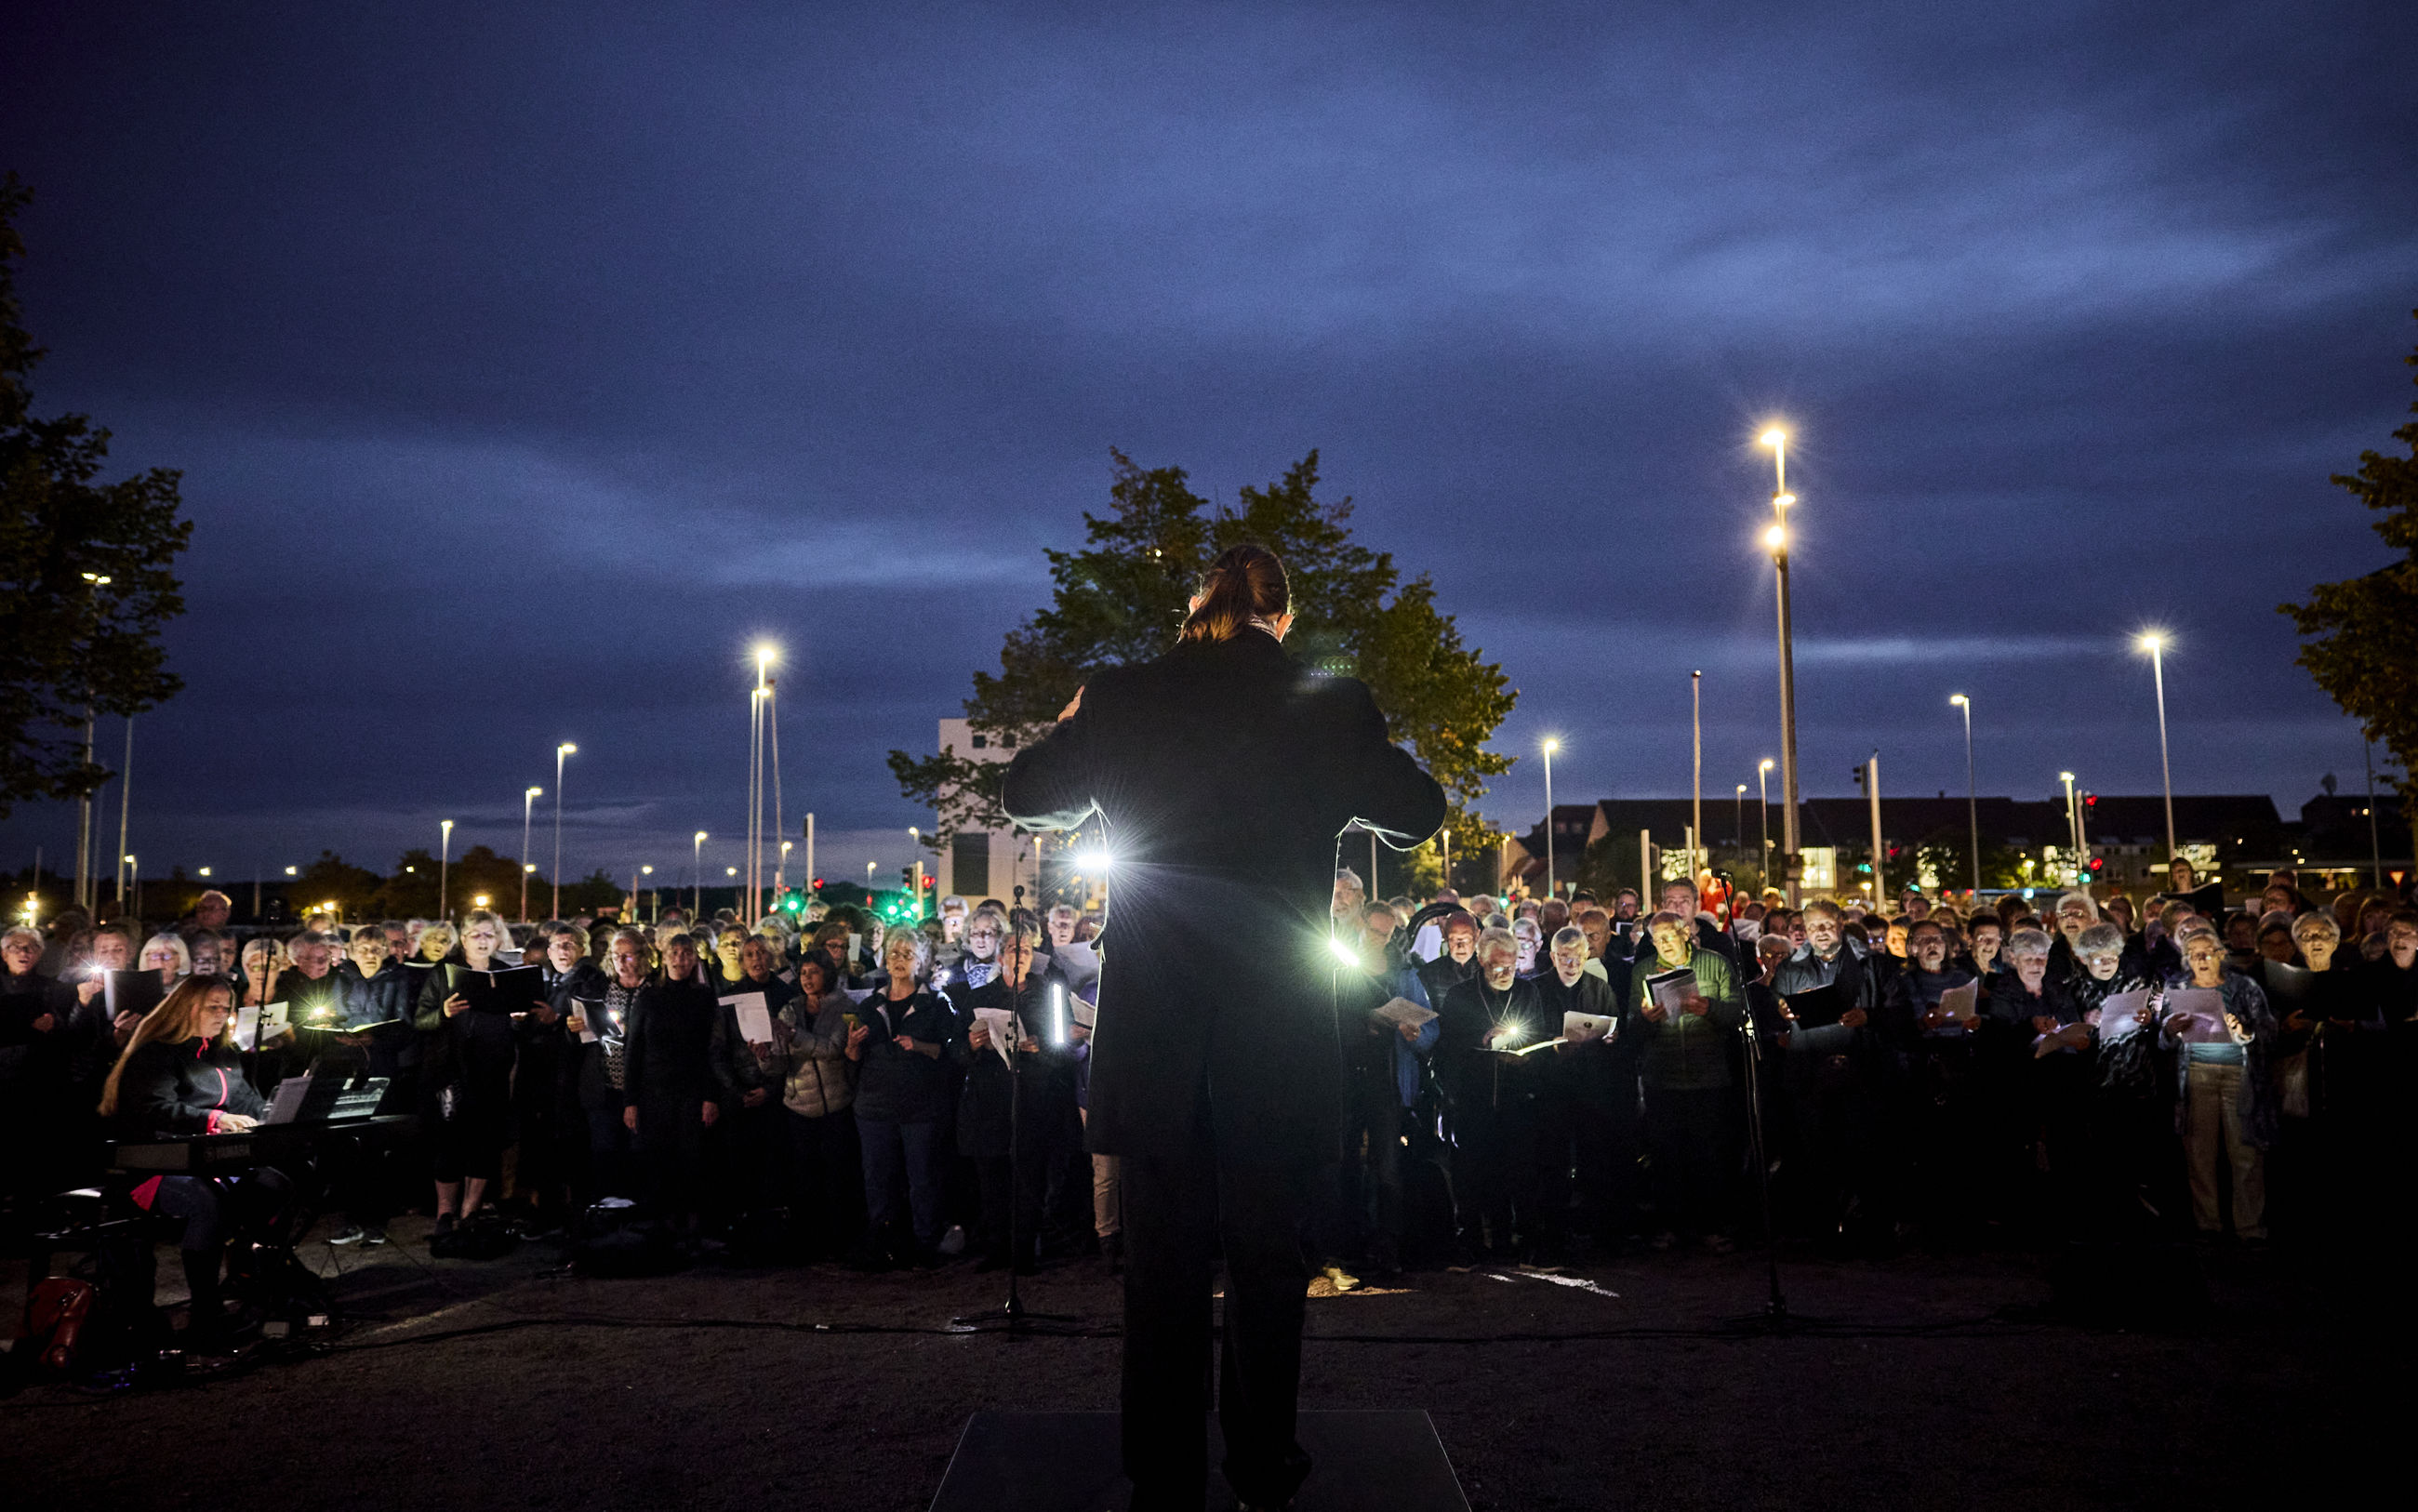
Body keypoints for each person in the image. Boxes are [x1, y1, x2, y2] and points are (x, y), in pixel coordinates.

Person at [1000, 541, 1445, 1512]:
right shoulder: (1328, 704)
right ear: (1279, 620)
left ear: (1193, 614)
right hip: (1272, 1027)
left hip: (1158, 1026)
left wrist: (1073, 718)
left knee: (1158, 1270)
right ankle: (1261, 1471)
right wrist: (1358, 752)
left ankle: (1162, 1479)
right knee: (1266, 1263)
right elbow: (1417, 812)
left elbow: (1024, 795)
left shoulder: (1120, 696)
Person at [96, 975, 272, 1347]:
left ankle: (259, 1283)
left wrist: (277, 1111)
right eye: (213, 1007)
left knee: (275, 1186)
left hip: (211, 1161)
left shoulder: (223, 1053)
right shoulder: (154, 1053)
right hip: (151, 1166)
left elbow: (247, 1104)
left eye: (226, 1008)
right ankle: (206, 1314)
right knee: (205, 1202)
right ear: (186, 1007)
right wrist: (213, 1119)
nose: (222, 1014)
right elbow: (153, 1108)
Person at [1627, 909, 1744, 1251]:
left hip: (1708, 1074)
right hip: (1663, 1077)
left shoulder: (1715, 964)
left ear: (1685, 934)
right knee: (1666, 1157)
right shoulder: (1643, 971)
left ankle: (1710, 1226)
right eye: (1655, 939)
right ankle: (1671, 1227)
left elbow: (1737, 1012)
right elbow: (1632, 1022)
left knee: (1708, 1155)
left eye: (1668, 936)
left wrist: (1710, 1009)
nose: (1663, 944)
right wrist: (1647, 1019)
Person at [844, 927, 959, 1268]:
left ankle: (925, 1244)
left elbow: (953, 1055)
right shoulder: (870, 1004)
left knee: (922, 1178)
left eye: (907, 954)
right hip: (874, 1107)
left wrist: (920, 1046)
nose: (899, 960)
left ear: (921, 960)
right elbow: (855, 1059)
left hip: (920, 1108)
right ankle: (882, 1242)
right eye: (894, 953)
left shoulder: (936, 1003)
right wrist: (851, 1047)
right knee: (877, 1179)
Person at [620, 931, 737, 1240]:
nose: (680, 959)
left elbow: (712, 1050)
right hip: (653, 1091)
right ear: (664, 957)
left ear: (695, 959)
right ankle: (664, 1222)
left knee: (693, 1156)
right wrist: (630, 1101)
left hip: (692, 1090)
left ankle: (693, 1221)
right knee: (659, 1157)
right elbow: (633, 1050)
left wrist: (710, 1096)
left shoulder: (704, 997)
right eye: (675, 953)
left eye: (687, 954)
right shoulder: (648, 997)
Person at [413, 909, 523, 1235]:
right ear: (463, 938)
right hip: (451, 1069)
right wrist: (444, 1012)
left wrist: (519, 1018)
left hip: (492, 1069)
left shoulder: (505, 973)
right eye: (476, 934)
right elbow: (420, 1019)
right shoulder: (444, 972)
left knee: (486, 1142)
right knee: (450, 1142)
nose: (483, 940)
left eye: (489, 934)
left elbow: (518, 1022)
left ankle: (470, 1210)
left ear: (498, 938)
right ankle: (445, 1214)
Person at [2172, 923, 2278, 1243]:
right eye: (2194, 955)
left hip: (2237, 1075)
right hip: (2196, 1073)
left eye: (2208, 953)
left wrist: (2243, 1031)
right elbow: (2160, 1039)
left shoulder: (2243, 987)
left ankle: (2250, 1228)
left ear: (2221, 955)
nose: (2201, 960)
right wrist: (2170, 1030)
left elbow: (2268, 1030)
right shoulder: (2176, 987)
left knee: (2244, 1152)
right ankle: (2209, 1226)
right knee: (2200, 1154)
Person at [768, 953, 864, 1258]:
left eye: (814, 972)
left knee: (838, 1176)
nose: (808, 978)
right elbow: (779, 1063)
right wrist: (764, 1053)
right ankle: (810, 1241)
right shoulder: (791, 1008)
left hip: (836, 1104)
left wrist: (795, 1035)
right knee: (805, 1178)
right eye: (804, 973)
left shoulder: (846, 1007)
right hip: (799, 1104)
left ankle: (840, 1240)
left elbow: (834, 1049)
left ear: (829, 973)